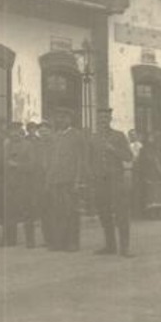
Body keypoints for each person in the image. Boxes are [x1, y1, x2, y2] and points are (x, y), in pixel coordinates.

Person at [88, 107, 134, 256]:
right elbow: (89, 160)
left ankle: (124, 248)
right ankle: (110, 246)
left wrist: (114, 149)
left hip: (116, 180)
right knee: (104, 213)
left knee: (121, 214)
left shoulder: (119, 136)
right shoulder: (93, 138)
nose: (102, 121)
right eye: (100, 119)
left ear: (110, 119)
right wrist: (92, 176)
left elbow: (128, 157)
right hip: (100, 181)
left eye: (105, 118)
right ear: (97, 120)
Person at [45, 108, 85, 251]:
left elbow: (81, 159)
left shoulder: (77, 135)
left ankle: (73, 242)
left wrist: (77, 180)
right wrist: (48, 180)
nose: (60, 120)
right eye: (58, 117)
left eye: (64, 117)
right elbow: (51, 160)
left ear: (70, 119)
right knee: (57, 211)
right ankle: (59, 242)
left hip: (70, 180)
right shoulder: (55, 136)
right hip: (56, 180)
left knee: (71, 212)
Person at [2, 122, 33, 247]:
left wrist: (17, 165)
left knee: (27, 212)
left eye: (17, 130)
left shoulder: (28, 145)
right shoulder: (6, 146)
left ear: (21, 131)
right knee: (10, 212)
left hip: (24, 184)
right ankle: (11, 240)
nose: (14, 134)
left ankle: (30, 241)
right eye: (12, 131)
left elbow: (32, 165)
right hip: (9, 184)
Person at [138, 133, 161, 219]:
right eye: (150, 139)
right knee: (151, 195)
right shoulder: (143, 150)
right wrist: (144, 175)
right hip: (150, 175)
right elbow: (141, 164)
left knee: (160, 194)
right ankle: (152, 213)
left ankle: (160, 212)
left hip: (160, 175)